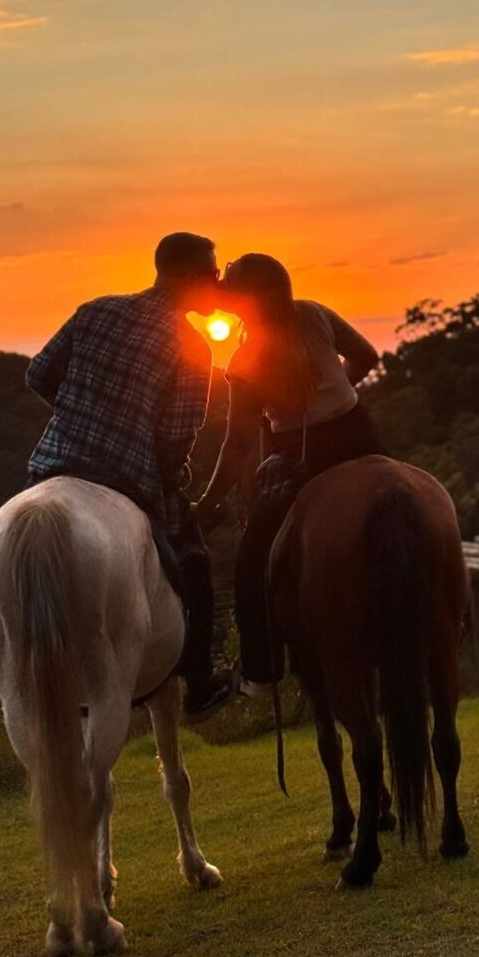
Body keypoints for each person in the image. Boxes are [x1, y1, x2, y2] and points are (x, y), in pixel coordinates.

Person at [0, 232, 233, 716]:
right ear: (186, 276)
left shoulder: (95, 311)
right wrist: (165, 469)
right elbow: (176, 436)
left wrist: (80, 413)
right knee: (195, 563)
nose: (218, 284)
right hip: (129, 478)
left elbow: (38, 374)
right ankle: (200, 682)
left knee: (6, 543)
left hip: (57, 460)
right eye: (212, 274)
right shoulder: (194, 349)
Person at [195, 253, 384, 694]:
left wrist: (206, 504)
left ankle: (262, 672)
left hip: (303, 454)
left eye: (229, 282)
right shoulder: (314, 313)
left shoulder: (245, 359)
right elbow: (367, 356)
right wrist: (336, 387)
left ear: (244, 298)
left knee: (253, 560)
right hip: (360, 433)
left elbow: (237, 445)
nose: (222, 287)